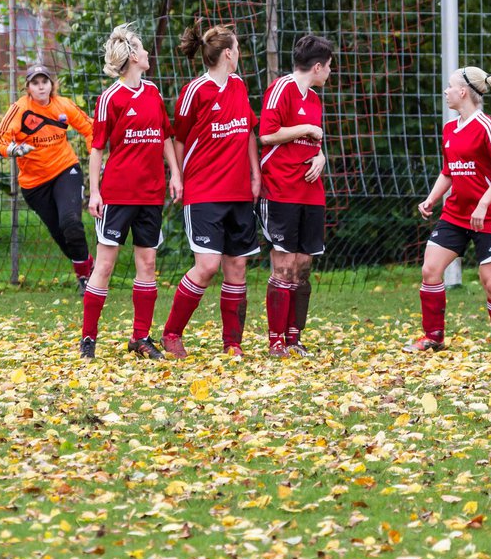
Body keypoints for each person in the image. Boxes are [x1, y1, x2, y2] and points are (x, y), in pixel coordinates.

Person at [82, 25, 183, 361]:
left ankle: (140, 337)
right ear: (131, 59)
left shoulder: (153, 92)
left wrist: (175, 173)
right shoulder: (110, 98)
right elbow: (96, 148)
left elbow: (166, 135)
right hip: (118, 194)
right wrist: (94, 192)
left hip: (151, 194)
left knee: (148, 262)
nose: (147, 54)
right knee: (106, 265)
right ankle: (88, 339)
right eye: (142, 50)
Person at [160, 23, 261, 359]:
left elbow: (247, 130)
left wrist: (255, 174)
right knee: (207, 266)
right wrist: (177, 176)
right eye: (238, 48)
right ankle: (171, 333)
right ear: (229, 53)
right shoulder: (195, 92)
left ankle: (232, 343)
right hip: (204, 192)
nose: (240, 54)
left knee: (236, 267)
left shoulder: (239, 86)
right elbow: (177, 138)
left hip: (238, 193)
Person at [408, 65, 491, 353]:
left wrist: (483, 204)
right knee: (430, 269)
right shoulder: (450, 129)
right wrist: (432, 198)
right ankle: (433, 337)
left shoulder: (487, 127)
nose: (445, 91)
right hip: (455, 215)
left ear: (462, 92)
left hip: (487, 217)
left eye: (449, 86)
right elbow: (448, 171)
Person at [257, 34, 334, 358]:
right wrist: (304, 129)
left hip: (310, 192)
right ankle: (276, 341)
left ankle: (294, 337)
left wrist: (321, 158)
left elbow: (315, 143)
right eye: (329, 66)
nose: (330, 72)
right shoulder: (281, 89)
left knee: (303, 265)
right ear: (317, 67)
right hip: (281, 189)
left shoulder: (314, 99)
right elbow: (266, 135)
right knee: (284, 265)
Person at [0, 64, 94, 293]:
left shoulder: (63, 105)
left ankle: (87, 279)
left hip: (65, 170)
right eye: (35, 83)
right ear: (28, 88)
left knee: (71, 224)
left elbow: (90, 129)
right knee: (61, 234)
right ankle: (88, 265)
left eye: (44, 82)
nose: (41, 87)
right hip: (34, 184)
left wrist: (96, 157)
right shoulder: (19, 109)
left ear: (51, 85)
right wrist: (14, 150)